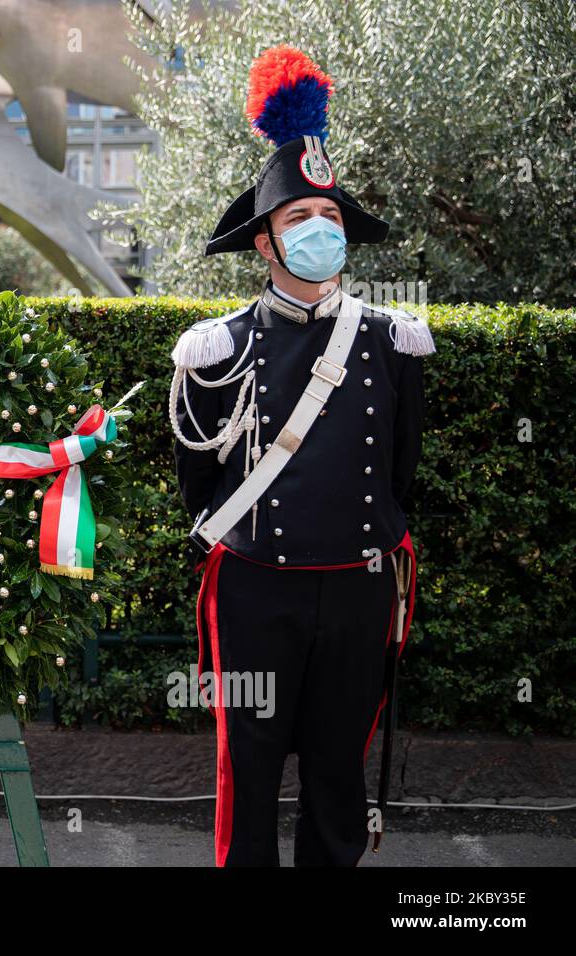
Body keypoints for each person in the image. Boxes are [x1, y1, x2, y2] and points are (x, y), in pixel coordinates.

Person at [168, 46, 434, 867]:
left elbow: (400, 471)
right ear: (264, 244)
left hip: (357, 587)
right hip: (255, 590)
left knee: (336, 769)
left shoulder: (396, 341)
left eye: (330, 217)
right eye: (297, 220)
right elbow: (200, 487)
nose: (320, 232)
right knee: (246, 769)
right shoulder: (215, 350)